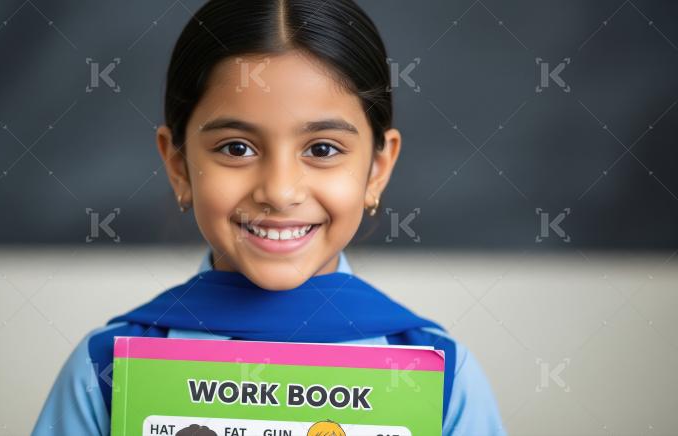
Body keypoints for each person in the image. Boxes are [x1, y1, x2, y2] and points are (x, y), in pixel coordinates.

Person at [33, 0, 505, 434]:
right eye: (236, 148)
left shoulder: (445, 377)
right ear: (178, 165)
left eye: (322, 149)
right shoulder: (104, 371)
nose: (279, 192)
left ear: (377, 169)